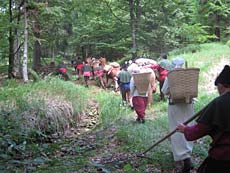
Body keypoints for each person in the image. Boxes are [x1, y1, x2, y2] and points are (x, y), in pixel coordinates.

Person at [177, 65, 230, 173]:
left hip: (224, 157)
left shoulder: (219, 103)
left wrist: (185, 129)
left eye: (218, 87)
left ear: (221, 85)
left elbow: (200, 130)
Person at [161, 57, 194, 173]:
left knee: (177, 130)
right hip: (188, 105)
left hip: (175, 106)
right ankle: (188, 154)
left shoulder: (171, 75)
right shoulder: (190, 75)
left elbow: (164, 91)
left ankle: (183, 159)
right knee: (188, 128)